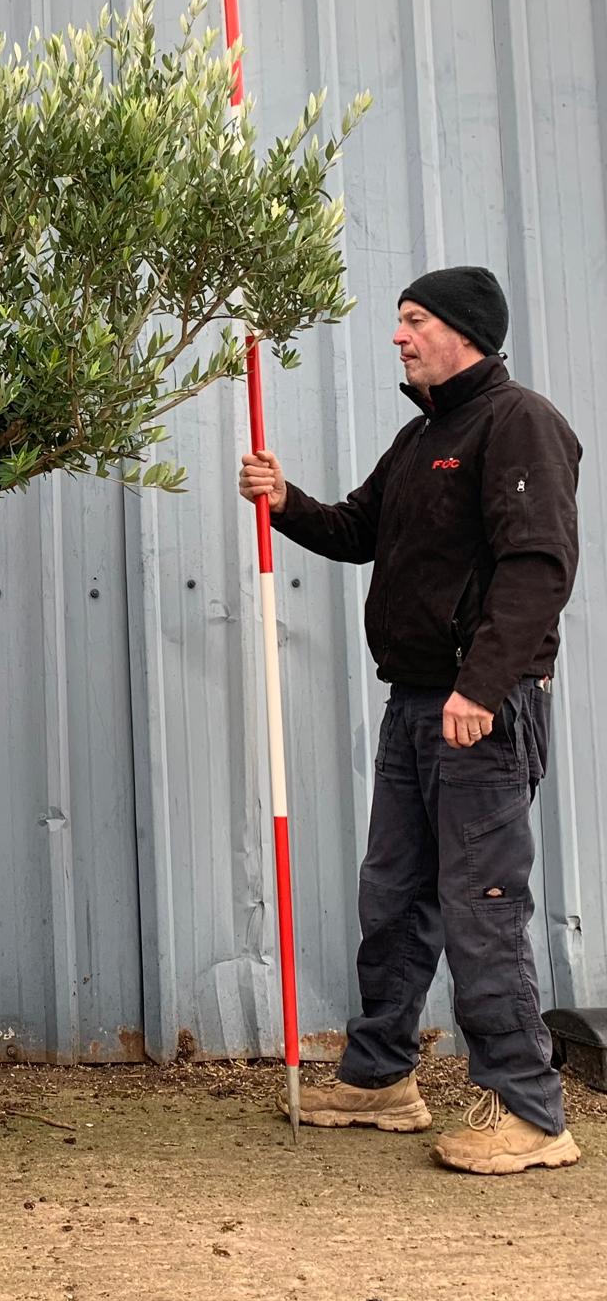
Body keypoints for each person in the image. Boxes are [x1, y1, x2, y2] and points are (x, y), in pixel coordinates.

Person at [239, 266, 582, 1173]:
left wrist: (481, 686)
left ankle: (531, 1112)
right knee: (393, 896)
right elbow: (359, 530)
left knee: (483, 907)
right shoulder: (422, 434)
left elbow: (538, 569)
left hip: (482, 709)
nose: (398, 336)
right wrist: (284, 502)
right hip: (416, 705)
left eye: (414, 320)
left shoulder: (521, 424)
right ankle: (382, 1077)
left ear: (465, 331)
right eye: (400, 320)